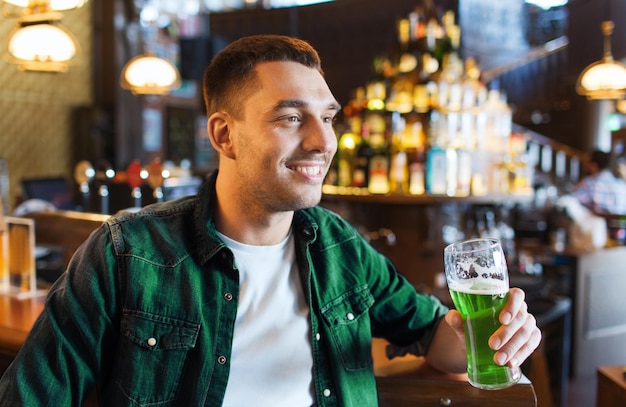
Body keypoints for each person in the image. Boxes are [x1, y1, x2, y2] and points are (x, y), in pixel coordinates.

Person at [0, 35, 541, 406]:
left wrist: (485, 333)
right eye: (291, 118)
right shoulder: (127, 252)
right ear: (223, 135)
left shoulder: (339, 248)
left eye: (327, 117)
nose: (322, 141)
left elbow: (433, 337)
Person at [570, 149, 626, 215]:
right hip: (621, 223)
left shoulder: (590, 182)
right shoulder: (621, 184)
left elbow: (573, 200)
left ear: (594, 165)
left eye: (587, 163)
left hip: (597, 222)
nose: (585, 165)